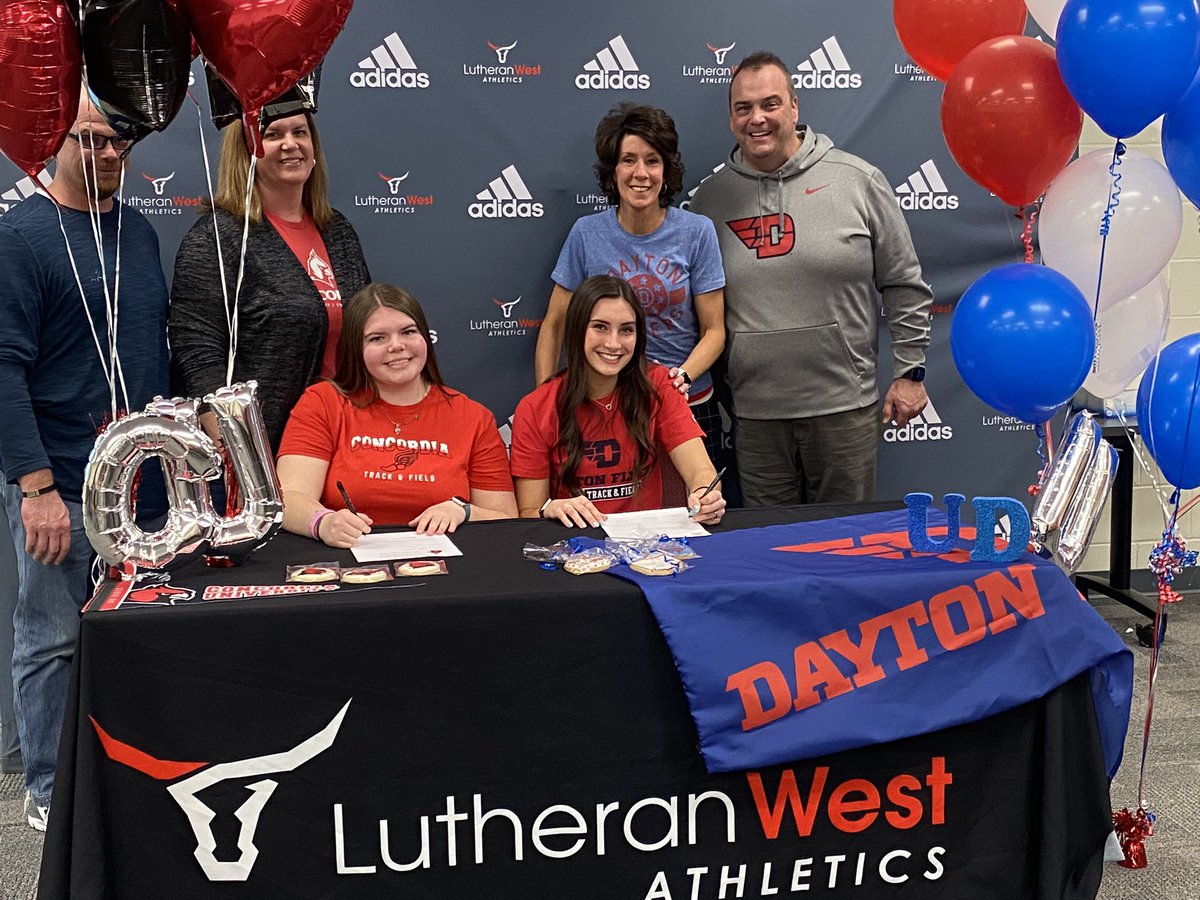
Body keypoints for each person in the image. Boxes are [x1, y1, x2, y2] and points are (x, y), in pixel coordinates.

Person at [0, 93, 170, 829]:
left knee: (141, 635)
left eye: (117, 142)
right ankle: (46, 790)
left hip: (146, 486)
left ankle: (127, 775)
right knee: (53, 639)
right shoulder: (21, 237)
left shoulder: (140, 232)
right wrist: (33, 487)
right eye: (90, 140)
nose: (105, 154)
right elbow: (3, 366)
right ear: (53, 140)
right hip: (62, 481)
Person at [689, 51, 933, 505]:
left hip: (844, 410)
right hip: (755, 418)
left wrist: (911, 372)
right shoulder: (710, 200)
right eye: (743, 108)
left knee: (847, 550)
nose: (756, 118)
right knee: (772, 556)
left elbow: (904, 283)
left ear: (795, 108)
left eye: (770, 104)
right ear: (731, 118)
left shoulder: (858, 181)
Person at [534, 104, 726, 461]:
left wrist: (680, 378)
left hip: (686, 403)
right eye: (628, 160)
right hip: (605, 405)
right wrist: (545, 400)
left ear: (666, 170)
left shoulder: (697, 232)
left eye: (652, 161)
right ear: (612, 171)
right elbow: (555, 324)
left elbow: (714, 330)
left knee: (698, 508)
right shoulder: (586, 234)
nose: (641, 173)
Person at [170, 112, 370, 452]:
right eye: (272, 134)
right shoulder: (219, 237)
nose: (290, 144)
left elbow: (367, 326)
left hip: (342, 441)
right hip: (263, 448)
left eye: (300, 132)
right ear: (247, 148)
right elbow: (196, 348)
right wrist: (233, 443)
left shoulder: (338, 231)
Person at [277, 284, 517, 546]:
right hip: (347, 562)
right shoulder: (323, 403)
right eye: (377, 338)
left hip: (448, 568)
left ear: (425, 337)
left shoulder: (473, 417)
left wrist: (464, 511)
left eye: (408, 332)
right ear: (356, 348)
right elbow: (288, 497)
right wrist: (322, 522)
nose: (397, 346)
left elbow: (504, 517)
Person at [512, 275, 726, 527]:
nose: (613, 343)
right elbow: (529, 511)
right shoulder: (537, 406)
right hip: (574, 547)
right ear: (577, 329)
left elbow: (701, 472)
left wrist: (706, 495)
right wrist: (550, 508)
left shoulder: (659, 386)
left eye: (626, 330)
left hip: (649, 547)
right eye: (600, 327)